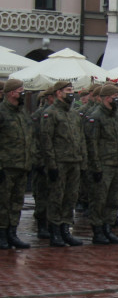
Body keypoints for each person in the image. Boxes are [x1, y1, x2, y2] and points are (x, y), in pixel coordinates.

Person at [39, 81, 86, 247]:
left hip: (74, 161)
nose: (71, 93)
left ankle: (66, 229)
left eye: (72, 90)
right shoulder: (50, 113)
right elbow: (46, 140)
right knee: (56, 198)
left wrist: (83, 161)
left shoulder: (73, 114)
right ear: (58, 93)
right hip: (59, 162)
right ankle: (55, 231)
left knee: (70, 197)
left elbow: (81, 139)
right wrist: (51, 164)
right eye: (68, 90)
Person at [84, 83, 118, 245]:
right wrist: (95, 166)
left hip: (117, 164)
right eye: (114, 96)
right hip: (103, 165)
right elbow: (92, 144)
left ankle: (108, 228)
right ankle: (98, 230)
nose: (116, 99)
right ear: (106, 98)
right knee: (99, 199)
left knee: (113, 199)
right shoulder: (96, 116)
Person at [0, 79, 35, 249]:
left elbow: (30, 138)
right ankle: (1, 234)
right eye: (20, 90)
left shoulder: (22, 112)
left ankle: (12, 232)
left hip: (23, 165)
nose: (23, 93)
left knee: (16, 202)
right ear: (11, 92)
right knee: (3, 202)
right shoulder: (1, 112)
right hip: (6, 166)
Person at [30, 85, 55, 239]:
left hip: (55, 161)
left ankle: (53, 224)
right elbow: (35, 140)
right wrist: (38, 161)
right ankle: (41, 225)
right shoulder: (40, 114)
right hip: (42, 162)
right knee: (42, 195)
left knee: (54, 195)